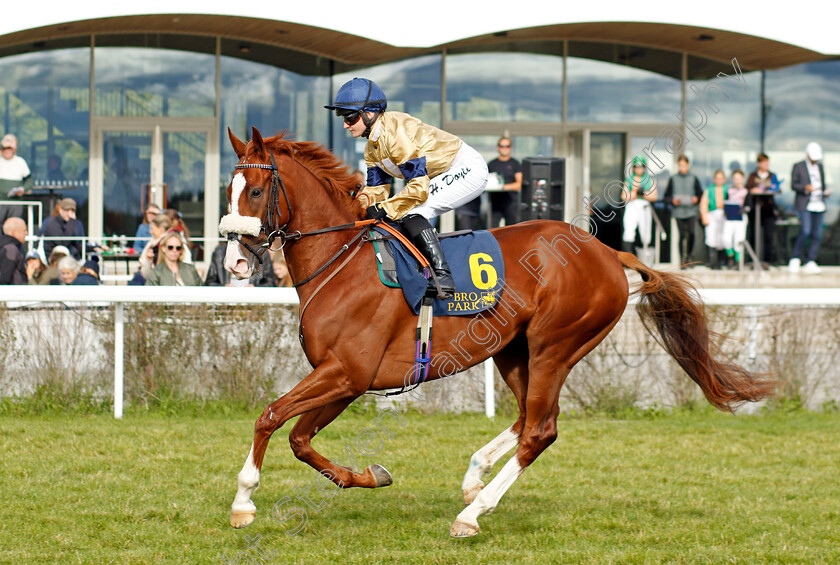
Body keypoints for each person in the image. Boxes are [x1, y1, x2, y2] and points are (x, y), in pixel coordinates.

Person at [325, 77, 489, 295]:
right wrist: (352, 209)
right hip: (438, 175)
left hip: (466, 167)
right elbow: (376, 192)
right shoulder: (371, 148)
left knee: (415, 210)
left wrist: (384, 208)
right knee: (398, 213)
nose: (345, 124)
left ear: (369, 113)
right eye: (342, 117)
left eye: (350, 117)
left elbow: (418, 188)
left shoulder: (395, 133)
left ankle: (442, 277)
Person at [789, 142, 830, 274]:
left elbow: (822, 184)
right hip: (805, 204)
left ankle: (811, 260)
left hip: (819, 204)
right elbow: (793, 185)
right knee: (806, 231)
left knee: (817, 234)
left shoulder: (821, 167)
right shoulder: (798, 166)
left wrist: (825, 191)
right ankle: (795, 257)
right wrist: (805, 188)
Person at [663, 155, 703, 267]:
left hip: (691, 211)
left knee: (691, 233)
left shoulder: (693, 178)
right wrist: (672, 201)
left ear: (688, 165)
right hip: (678, 211)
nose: (682, 167)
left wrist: (696, 199)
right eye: (680, 165)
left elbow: (700, 194)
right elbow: (666, 196)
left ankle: (690, 256)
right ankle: (683, 259)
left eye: (684, 165)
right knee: (681, 236)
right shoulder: (673, 179)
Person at [745, 153, 780, 266]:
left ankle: (767, 260)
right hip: (755, 209)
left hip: (768, 209)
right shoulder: (753, 176)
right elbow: (748, 188)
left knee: (768, 235)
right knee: (753, 235)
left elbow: (778, 188)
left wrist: (773, 188)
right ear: (759, 163)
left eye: (767, 162)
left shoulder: (772, 175)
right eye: (764, 162)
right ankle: (752, 260)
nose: (766, 165)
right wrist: (754, 190)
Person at [621, 156, 658, 254]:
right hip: (632, 205)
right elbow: (624, 196)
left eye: (641, 167)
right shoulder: (629, 180)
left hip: (644, 206)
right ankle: (628, 253)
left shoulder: (649, 180)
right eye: (636, 167)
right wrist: (636, 193)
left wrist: (644, 194)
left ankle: (645, 254)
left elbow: (654, 197)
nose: (639, 169)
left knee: (645, 231)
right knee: (629, 229)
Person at [487, 136, 522, 228]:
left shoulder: (515, 163)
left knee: (511, 230)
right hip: (495, 203)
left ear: (511, 148)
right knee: (493, 229)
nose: (504, 148)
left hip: (511, 202)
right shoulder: (492, 164)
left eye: (507, 146)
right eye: (502, 146)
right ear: (498, 147)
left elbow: (519, 184)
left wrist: (502, 187)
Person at [204, 242, 276, 287]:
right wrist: (224, 287)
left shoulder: (262, 252)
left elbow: (270, 282)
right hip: (226, 304)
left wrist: (255, 288)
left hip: (253, 304)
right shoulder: (219, 252)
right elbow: (209, 282)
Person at [0, 133, 33, 225]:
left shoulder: (20, 162)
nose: (7, 151)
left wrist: (23, 189)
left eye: (9, 148)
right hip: (0, 201)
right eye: (5, 148)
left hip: (15, 202)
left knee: (14, 225)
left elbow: (29, 181)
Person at [700, 170, 729, 270]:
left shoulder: (727, 189)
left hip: (724, 214)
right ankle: (713, 261)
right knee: (711, 236)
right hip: (712, 214)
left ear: (724, 179)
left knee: (722, 237)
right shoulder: (709, 190)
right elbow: (704, 204)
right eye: (717, 178)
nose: (719, 180)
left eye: (721, 178)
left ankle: (722, 261)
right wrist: (704, 217)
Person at [722, 170, 750, 269]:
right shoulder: (729, 190)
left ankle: (738, 261)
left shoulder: (746, 191)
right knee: (726, 239)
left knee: (739, 239)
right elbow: (725, 201)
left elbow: (749, 205)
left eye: (739, 178)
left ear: (743, 178)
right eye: (735, 178)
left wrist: (744, 209)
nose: (737, 180)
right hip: (729, 217)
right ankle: (731, 256)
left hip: (740, 218)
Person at [0, 216, 27, 284]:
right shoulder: (11, 250)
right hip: (14, 293)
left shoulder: (7, 247)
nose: (26, 233)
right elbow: (4, 278)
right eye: (24, 230)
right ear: (13, 232)